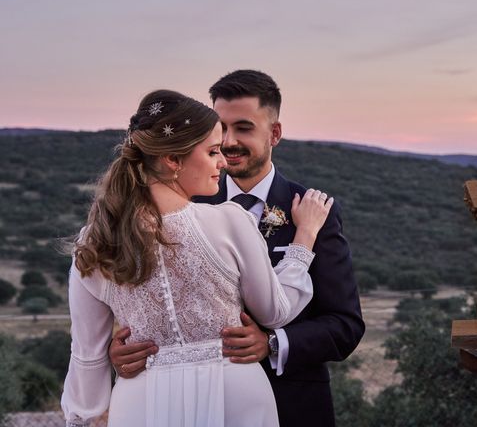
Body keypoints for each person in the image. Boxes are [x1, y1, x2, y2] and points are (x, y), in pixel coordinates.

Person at [60, 90, 334, 427]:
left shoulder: (95, 240)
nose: (222, 162)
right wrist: (303, 240)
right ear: (173, 160)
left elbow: (86, 356)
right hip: (234, 396)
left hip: (140, 404)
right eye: (212, 151)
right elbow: (275, 312)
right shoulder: (229, 220)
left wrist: (82, 417)